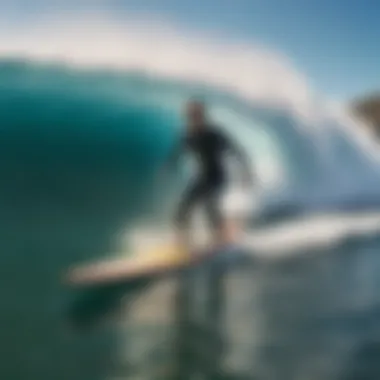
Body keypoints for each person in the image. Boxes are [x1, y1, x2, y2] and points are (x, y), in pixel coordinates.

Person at [162, 99, 253, 250]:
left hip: (218, 177)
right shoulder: (189, 136)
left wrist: (246, 172)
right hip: (202, 177)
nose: (192, 119)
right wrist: (168, 166)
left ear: (202, 116)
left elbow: (236, 151)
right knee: (183, 209)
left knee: (209, 207)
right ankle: (183, 244)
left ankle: (220, 239)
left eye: (195, 115)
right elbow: (177, 153)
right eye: (190, 116)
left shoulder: (214, 134)